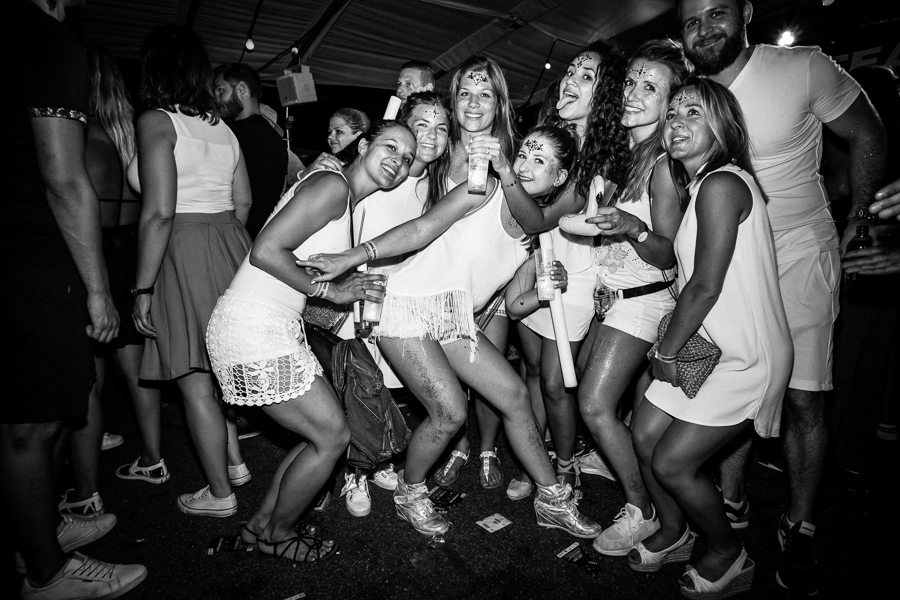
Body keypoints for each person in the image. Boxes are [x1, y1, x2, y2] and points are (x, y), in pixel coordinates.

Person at [298, 92, 600, 540]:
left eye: (540, 161)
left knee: (515, 395)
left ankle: (552, 499)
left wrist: (543, 287)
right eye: (524, 153)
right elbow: (423, 228)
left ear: (559, 178)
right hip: (407, 307)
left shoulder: (536, 230)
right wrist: (353, 255)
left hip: (454, 319)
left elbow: (513, 300)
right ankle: (410, 492)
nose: (524, 164)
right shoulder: (485, 188)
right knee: (450, 412)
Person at [676, 1, 887, 594]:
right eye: (691, 21)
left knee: (804, 397)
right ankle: (733, 499)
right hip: (726, 259)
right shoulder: (687, 92)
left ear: (746, 12)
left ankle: (801, 525)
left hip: (797, 252)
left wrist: (860, 219)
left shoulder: (802, 67)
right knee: (731, 383)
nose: (704, 29)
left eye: (717, 13)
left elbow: (867, 132)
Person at [207, 120, 415, 561]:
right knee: (332, 436)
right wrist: (333, 291)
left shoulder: (342, 197)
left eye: (407, 158)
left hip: (269, 323)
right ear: (363, 145)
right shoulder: (333, 186)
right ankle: (278, 535)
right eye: (391, 147)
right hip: (255, 323)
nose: (398, 161)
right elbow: (266, 250)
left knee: (317, 434)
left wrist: (343, 293)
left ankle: (261, 526)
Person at [4, 1, 146, 598]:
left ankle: (43, 532)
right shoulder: (45, 39)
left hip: (31, 254)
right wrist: (98, 290)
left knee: (56, 403)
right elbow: (65, 179)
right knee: (32, 423)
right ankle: (46, 573)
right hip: (37, 257)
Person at [630, 77, 792, 599]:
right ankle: (675, 531)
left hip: (745, 354)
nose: (676, 122)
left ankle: (728, 553)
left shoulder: (722, 183)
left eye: (693, 113)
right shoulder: (703, 185)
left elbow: (704, 285)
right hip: (708, 346)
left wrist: (665, 350)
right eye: (673, 114)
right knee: (644, 433)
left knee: (672, 461)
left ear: (723, 126)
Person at [485, 40, 633, 499]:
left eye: (586, 76)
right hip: (534, 262)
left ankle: (566, 466)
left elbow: (539, 218)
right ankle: (534, 460)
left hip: (575, 273)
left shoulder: (604, 156)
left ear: (604, 94)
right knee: (531, 369)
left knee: (556, 381)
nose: (571, 79)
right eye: (571, 70)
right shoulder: (549, 138)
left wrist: (506, 172)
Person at [561, 39, 690, 557]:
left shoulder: (661, 165)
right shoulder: (629, 153)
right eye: (632, 81)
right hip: (610, 296)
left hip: (644, 298)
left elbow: (669, 254)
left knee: (594, 404)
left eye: (650, 87)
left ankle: (642, 510)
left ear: (671, 101)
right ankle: (624, 469)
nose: (634, 93)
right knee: (596, 395)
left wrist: (634, 228)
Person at [129, 23, 252, 517]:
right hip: (230, 244)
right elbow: (243, 201)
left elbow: (159, 213)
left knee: (194, 377)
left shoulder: (157, 121)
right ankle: (236, 462)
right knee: (220, 363)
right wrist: (224, 241)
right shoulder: (224, 127)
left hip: (182, 247)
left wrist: (142, 287)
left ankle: (220, 494)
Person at [310, 92, 452, 517]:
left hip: (396, 302)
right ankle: (353, 471)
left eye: (441, 127)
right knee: (352, 385)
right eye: (421, 124)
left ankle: (373, 460)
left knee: (380, 388)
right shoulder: (380, 174)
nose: (431, 135)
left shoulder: (434, 187)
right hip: (352, 297)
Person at [214, 62, 289, 239]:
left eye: (220, 90)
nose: (216, 99)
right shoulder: (275, 138)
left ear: (241, 89)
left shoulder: (233, 135)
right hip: (264, 234)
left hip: (237, 233)